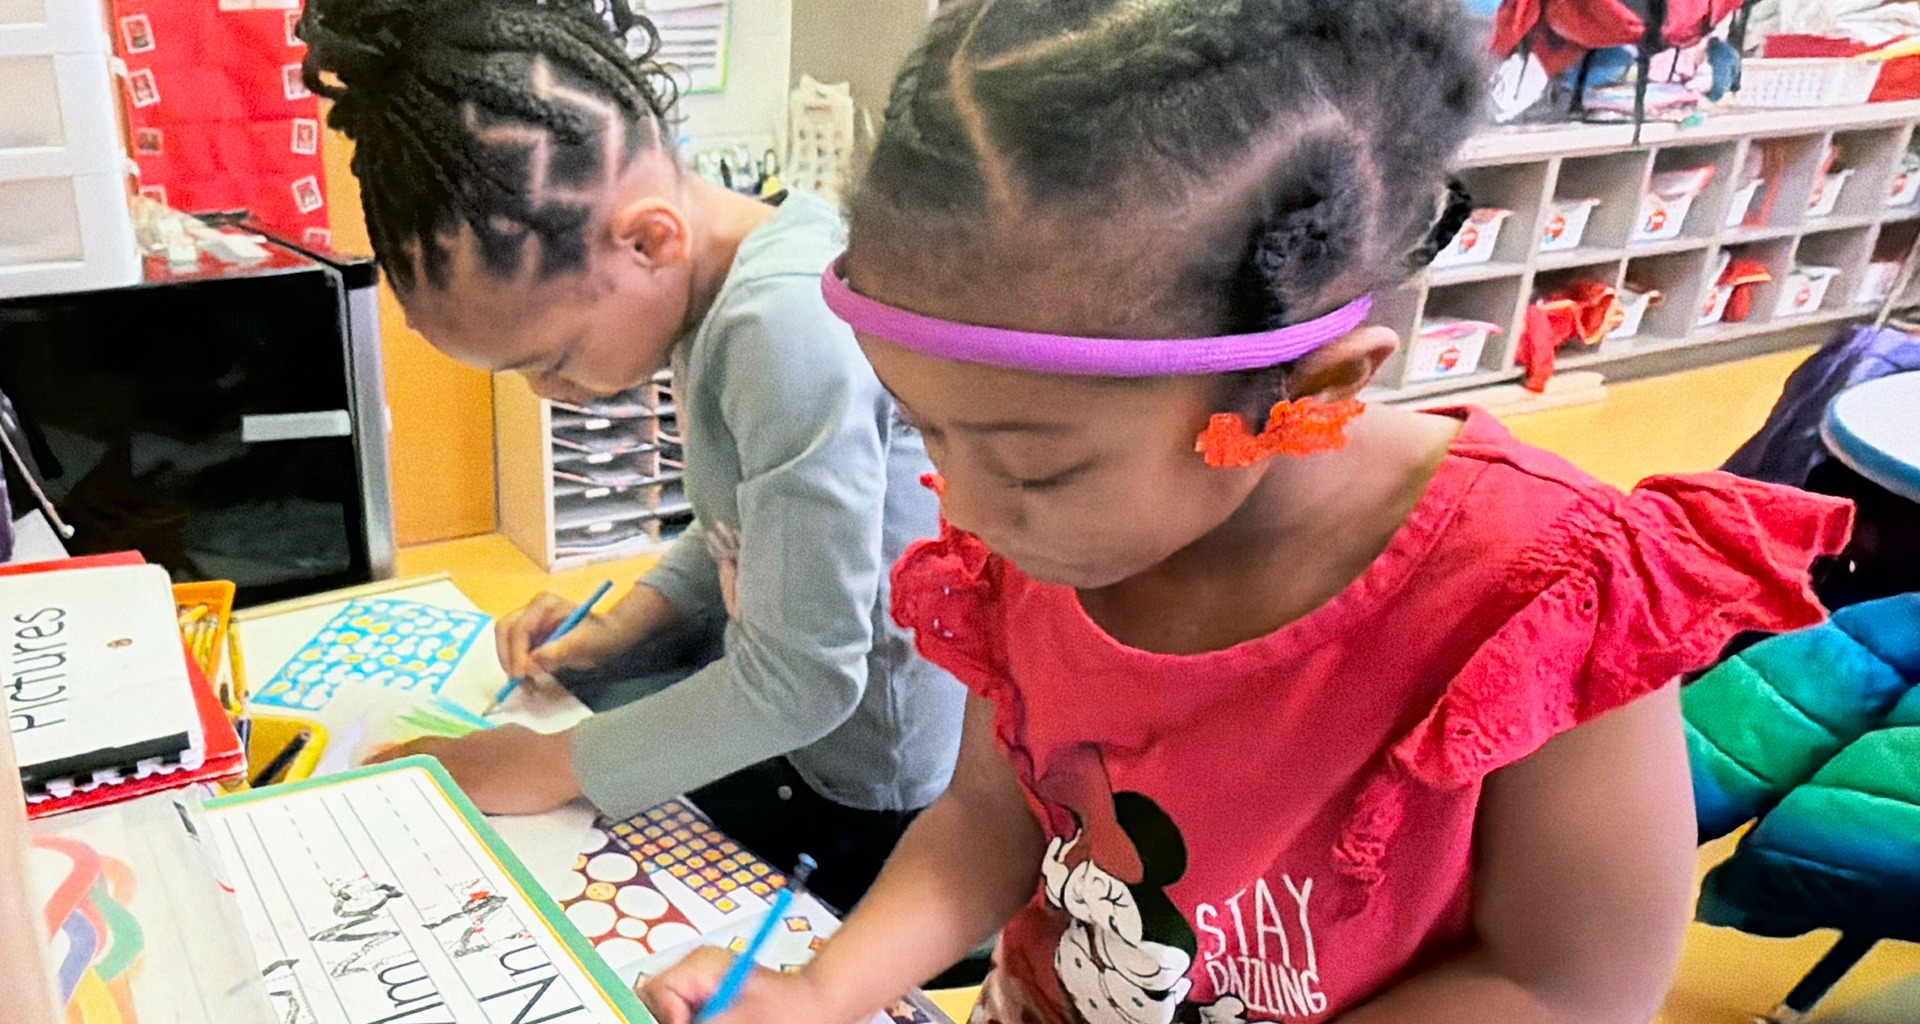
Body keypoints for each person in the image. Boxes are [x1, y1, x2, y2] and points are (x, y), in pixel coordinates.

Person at [641, 1, 1856, 1022]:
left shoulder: (1545, 595)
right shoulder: (1031, 539)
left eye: (1035, 463)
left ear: (1309, 395)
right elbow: (983, 822)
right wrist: (822, 989)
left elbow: (1566, 987)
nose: (959, 497)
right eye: (928, 426)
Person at [298, 0, 965, 911]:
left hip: (866, 790)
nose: (546, 394)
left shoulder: (786, 326)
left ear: (649, 239)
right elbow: (744, 521)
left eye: (552, 360)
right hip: (789, 732)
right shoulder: (721, 285)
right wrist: (636, 620)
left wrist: (546, 765)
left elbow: (809, 678)